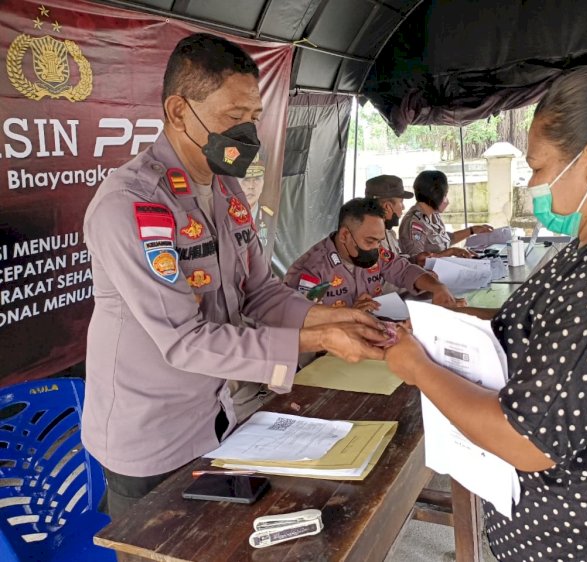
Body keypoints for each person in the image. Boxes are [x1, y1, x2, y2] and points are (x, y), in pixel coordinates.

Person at [385, 62, 587, 561]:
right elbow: (563, 338)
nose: (533, 183)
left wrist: (418, 367)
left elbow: (525, 441)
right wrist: (447, 328)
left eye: (538, 167)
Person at [82, 33, 387, 518]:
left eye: (252, 118)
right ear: (179, 112)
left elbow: (260, 293)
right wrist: (319, 340)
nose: (248, 133)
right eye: (232, 118)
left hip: (221, 416)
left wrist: (335, 317)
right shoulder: (132, 206)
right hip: (152, 441)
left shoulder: (225, 190)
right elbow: (185, 341)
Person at [284, 198, 458, 312]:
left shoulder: (376, 253)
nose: (376, 248)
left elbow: (405, 271)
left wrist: (437, 287)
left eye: (379, 241)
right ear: (344, 235)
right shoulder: (312, 270)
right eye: (369, 241)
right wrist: (351, 314)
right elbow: (302, 321)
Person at [398, 170, 493, 260]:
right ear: (435, 194)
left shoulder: (433, 214)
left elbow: (445, 240)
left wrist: (472, 230)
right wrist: (450, 252)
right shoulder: (414, 223)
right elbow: (416, 260)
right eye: (445, 194)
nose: (446, 200)